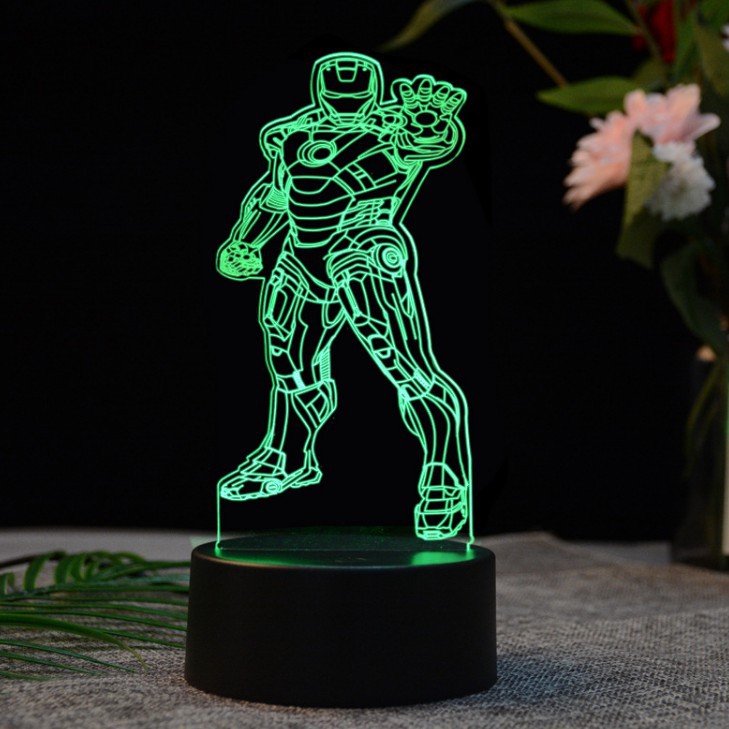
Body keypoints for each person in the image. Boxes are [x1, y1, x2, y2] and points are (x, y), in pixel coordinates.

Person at [216, 52, 472, 540]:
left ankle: (444, 473)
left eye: (355, 97)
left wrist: (430, 120)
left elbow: (428, 143)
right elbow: (275, 196)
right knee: (288, 359)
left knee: (404, 365)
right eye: (338, 96)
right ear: (321, 92)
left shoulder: (393, 130)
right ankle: (288, 455)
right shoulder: (293, 136)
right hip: (300, 255)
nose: (346, 104)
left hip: (361, 247)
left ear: (372, 93)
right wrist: (245, 241)